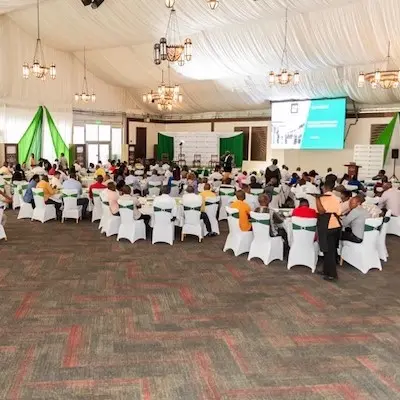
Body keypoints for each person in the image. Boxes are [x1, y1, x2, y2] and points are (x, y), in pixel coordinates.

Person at [315, 181, 342, 281]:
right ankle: (326, 270)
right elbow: (339, 212)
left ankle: (332, 274)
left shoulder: (322, 198)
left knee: (328, 251)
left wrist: (317, 199)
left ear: (325, 188)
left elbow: (321, 211)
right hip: (336, 226)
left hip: (327, 226)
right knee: (331, 250)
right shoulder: (337, 198)